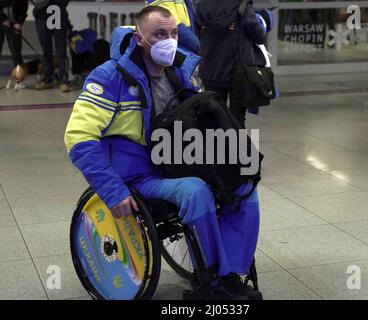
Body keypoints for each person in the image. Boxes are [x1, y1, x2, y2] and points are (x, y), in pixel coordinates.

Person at [64, 6, 262, 300]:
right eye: (159, 34)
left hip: (177, 162)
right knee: (196, 191)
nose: (168, 41)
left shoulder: (181, 71)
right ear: (139, 37)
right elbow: (78, 138)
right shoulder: (109, 78)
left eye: (173, 33)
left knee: (244, 183)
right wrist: (112, 190)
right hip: (139, 176)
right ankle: (211, 281)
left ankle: (231, 273)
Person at [197, 0, 268, 128]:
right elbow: (258, 34)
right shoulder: (241, 4)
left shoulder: (202, 4)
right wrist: (263, 21)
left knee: (214, 117)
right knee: (237, 119)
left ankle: (216, 147)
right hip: (237, 72)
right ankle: (236, 147)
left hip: (211, 68)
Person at [33, 0, 71, 92]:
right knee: (46, 49)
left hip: (58, 14)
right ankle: (48, 79)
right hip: (42, 16)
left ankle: (63, 80)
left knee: (61, 50)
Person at [0, 0, 28, 68]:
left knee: (16, 49)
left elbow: (23, 7)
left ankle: (18, 71)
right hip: (1, 23)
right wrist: (3, 19)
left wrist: (19, 23)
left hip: (15, 25)